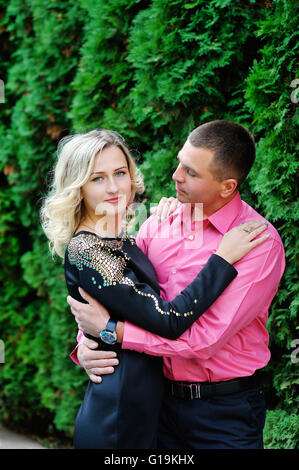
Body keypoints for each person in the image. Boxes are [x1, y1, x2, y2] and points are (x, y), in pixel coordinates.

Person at [41, 127, 270, 449]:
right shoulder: (91, 249)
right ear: (77, 188)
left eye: (120, 173)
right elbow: (166, 318)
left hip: (214, 413)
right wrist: (221, 261)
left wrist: (104, 333)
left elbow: (125, 304)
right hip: (123, 416)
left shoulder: (131, 235)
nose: (114, 187)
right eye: (97, 178)